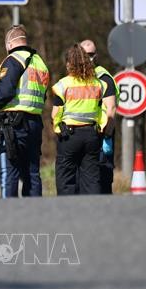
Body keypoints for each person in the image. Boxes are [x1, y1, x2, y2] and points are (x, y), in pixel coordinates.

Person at [0, 25, 49, 197]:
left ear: (9, 44)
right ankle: (33, 212)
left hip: (13, 124)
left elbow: (5, 91)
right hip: (35, 123)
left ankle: (9, 213)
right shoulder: (40, 63)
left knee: (10, 171)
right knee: (32, 172)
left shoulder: (14, 59)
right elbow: (43, 96)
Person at [51, 44, 113, 195]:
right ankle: (92, 211)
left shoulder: (63, 84)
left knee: (66, 178)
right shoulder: (98, 84)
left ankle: (68, 212)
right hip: (92, 135)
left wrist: (58, 128)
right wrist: (102, 129)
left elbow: (55, 114)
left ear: (69, 64)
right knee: (91, 177)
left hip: (69, 136)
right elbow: (107, 109)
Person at [80, 39, 118, 194]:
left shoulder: (104, 77)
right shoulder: (78, 77)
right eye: (85, 54)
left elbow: (111, 109)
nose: (89, 58)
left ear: (96, 55)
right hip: (85, 132)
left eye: (91, 54)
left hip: (103, 132)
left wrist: (107, 135)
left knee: (103, 176)